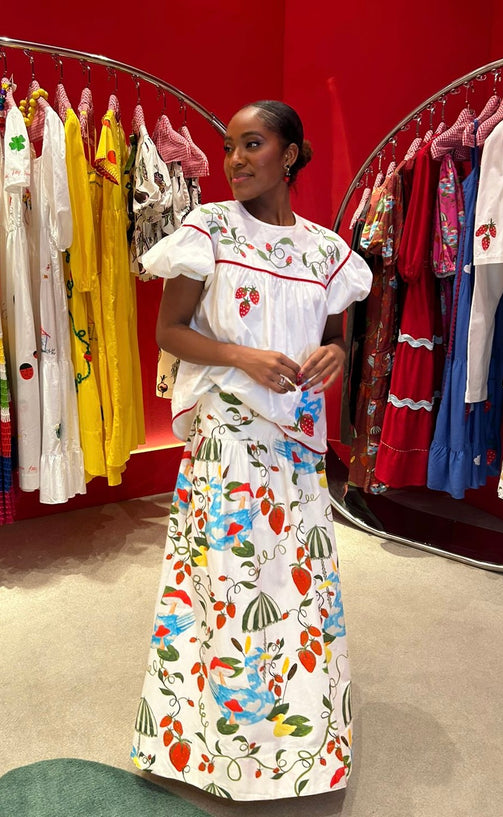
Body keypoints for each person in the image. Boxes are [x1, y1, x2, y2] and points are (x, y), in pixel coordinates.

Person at [131, 100, 372, 801]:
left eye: (253, 144)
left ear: (289, 154)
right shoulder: (207, 229)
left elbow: (337, 337)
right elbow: (170, 331)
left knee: (295, 591)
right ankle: (216, 749)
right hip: (229, 438)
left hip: (295, 445)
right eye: (230, 147)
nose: (235, 160)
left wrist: (333, 355)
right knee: (228, 589)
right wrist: (242, 356)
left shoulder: (326, 251)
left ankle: (300, 744)